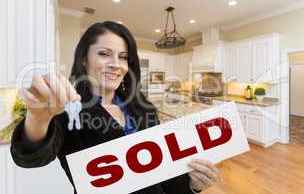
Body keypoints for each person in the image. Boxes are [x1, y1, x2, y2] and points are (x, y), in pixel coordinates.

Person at [10, 21, 218, 194]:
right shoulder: (67, 110)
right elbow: (29, 158)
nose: (116, 64)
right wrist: (38, 117)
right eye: (104, 53)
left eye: (123, 57)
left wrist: (193, 186)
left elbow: (165, 173)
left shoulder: (143, 108)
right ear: (84, 58)